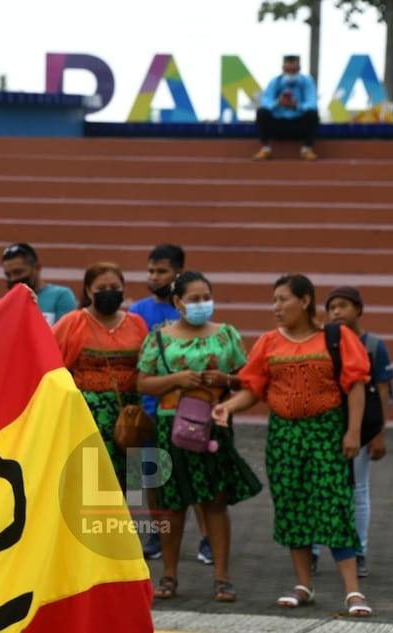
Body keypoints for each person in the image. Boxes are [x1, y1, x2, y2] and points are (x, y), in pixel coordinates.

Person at [212, 273, 374, 617]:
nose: (277, 307)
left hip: (326, 432)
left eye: (283, 299)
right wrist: (228, 407)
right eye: (274, 300)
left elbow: (356, 384)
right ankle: (304, 585)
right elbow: (253, 388)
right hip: (284, 435)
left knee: (334, 503)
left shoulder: (336, 337)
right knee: (291, 505)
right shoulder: (269, 342)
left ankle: (353, 591)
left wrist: (353, 432)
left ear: (305, 300)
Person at [136, 271, 262, 603]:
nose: (202, 304)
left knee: (215, 502)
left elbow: (247, 379)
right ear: (178, 302)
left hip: (213, 424)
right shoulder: (159, 339)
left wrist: (225, 380)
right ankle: (169, 574)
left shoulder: (226, 335)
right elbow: (143, 383)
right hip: (171, 428)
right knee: (172, 504)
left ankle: (222, 578)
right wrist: (176, 380)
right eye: (194, 299)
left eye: (206, 297)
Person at [128, 244, 213, 565]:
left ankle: (207, 537)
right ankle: (157, 534)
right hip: (149, 411)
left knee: (196, 479)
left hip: (189, 413)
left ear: (178, 274)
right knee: (150, 478)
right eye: (150, 271)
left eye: (161, 271)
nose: (154, 277)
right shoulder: (137, 311)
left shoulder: (191, 310)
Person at [311, 286, 393, 579]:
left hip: (360, 428)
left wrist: (378, 433)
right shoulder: (322, 341)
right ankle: (313, 551)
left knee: (358, 489)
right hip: (325, 427)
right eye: (332, 307)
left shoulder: (373, 345)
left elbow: (383, 391)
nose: (337, 312)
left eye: (343, 305)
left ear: (359, 309)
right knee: (318, 488)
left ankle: (358, 551)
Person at [52, 262, 148, 489]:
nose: (108, 292)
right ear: (88, 291)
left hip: (130, 416)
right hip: (89, 417)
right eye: (101, 288)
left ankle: (126, 513)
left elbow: (147, 363)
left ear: (124, 289)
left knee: (130, 487)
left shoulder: (136, 323)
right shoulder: (72, 322)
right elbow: (50, 361)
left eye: (114, 287)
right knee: (95, 486)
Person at [252, 55, 320, 162]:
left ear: (299, 69)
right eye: (288, 70)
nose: (291, 73)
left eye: (294, 70)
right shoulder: (275, 81)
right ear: (283, 68)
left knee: (312, 114)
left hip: (298, 125)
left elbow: (312, 104)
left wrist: (297, 106)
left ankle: (306, 149)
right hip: (278, 125)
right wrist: (277, 103)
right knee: (261, 113)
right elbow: (265, 102)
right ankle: (265, 149)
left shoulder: (307, 81)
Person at [1, 242, 76, 326]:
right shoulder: (9, 302)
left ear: (37, 268)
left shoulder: (60, 296)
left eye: (18, 272)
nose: (13, 278)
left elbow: (65, 332)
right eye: (8, 275)